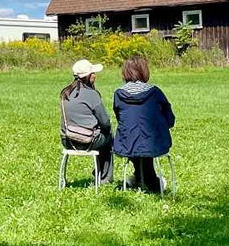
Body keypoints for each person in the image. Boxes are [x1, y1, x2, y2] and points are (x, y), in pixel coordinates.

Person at [112, 54, 175, 193]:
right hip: (154, 141)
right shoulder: (155, 92)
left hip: (126, 143)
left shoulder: (119, 94)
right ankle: (150, 182)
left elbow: (120, 117)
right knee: (143, 144)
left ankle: (139, 177)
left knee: (136, 142)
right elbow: (169, 117)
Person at [59, 58, 114, 186]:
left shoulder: (65, 93)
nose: (95, 75)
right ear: (89, 76)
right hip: (88, 141)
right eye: (93, 73)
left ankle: (99, 172)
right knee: (108, 135)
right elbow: (105, 122)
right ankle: (104, 177)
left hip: (67, 140)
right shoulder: (92, 94)